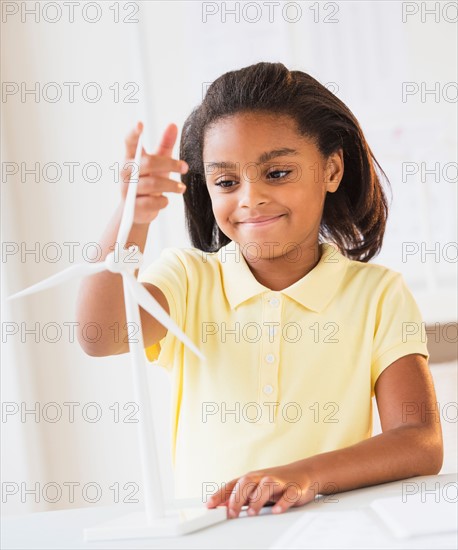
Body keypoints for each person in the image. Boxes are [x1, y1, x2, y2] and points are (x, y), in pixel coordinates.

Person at [76, 62, 443, 519]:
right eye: (227, 182)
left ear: (331, 170)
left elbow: (419, 442)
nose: (250, 197)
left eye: (277, 173)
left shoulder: (378, 294)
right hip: (209, 535)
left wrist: (302, 475)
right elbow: (100, 333)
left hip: (330, 534)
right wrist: (131, 218)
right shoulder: (189, 279)